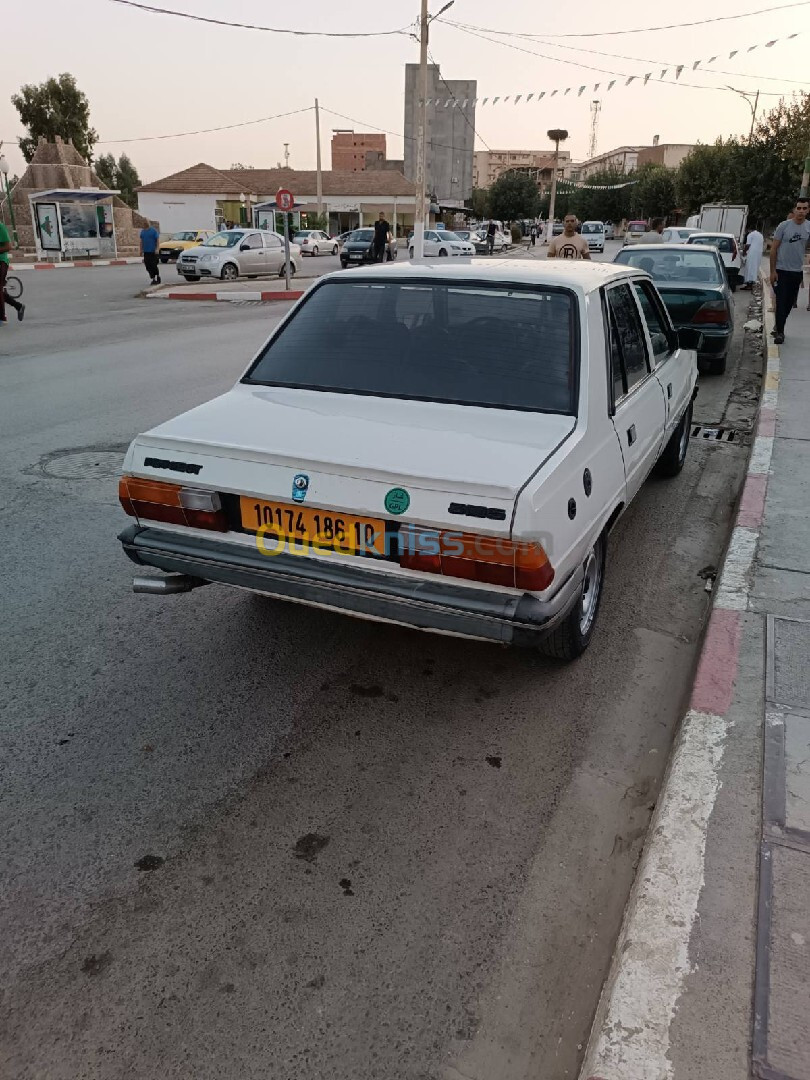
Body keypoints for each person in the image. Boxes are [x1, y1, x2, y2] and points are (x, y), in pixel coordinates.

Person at [769, 197, 810, 344]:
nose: (801, 211)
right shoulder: (784, 226)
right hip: (781, 270)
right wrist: (772, 271)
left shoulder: (808, 227)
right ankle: (780, 332)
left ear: (808, 210)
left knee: (789, 303)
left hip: (796, 272)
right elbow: (773, 249)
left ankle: (778, 324)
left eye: (804, 208)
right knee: (781, 302)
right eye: (798, 208)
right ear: (794, 210)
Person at [0, 219, 25, 325]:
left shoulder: (0, 227)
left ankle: (2, 318)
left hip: (1, 261)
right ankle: (18, 306)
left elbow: (8, 246)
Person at [741, 222, 764, 290]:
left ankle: (749, 284)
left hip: (752, 253)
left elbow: (748, 245)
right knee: (754, 268)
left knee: (749, 268)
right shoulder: (760, 235)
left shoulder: (750, 235)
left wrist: (744, 252)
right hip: (758, 254)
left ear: (749, 229)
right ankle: (751, 283)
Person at [140, 221, 161, 285]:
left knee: (153, 265)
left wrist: (157, 248)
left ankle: (157, 276)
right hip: (146, 252)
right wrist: (141, 250)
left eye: (146, 223)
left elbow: (157, 240)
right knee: (148, 266)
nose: (145, 224)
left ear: (148, 223)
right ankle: (153, 279)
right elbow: (141, 242)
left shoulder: (153, 231)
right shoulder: (142, 232)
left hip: (153, 251)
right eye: (144, 223)